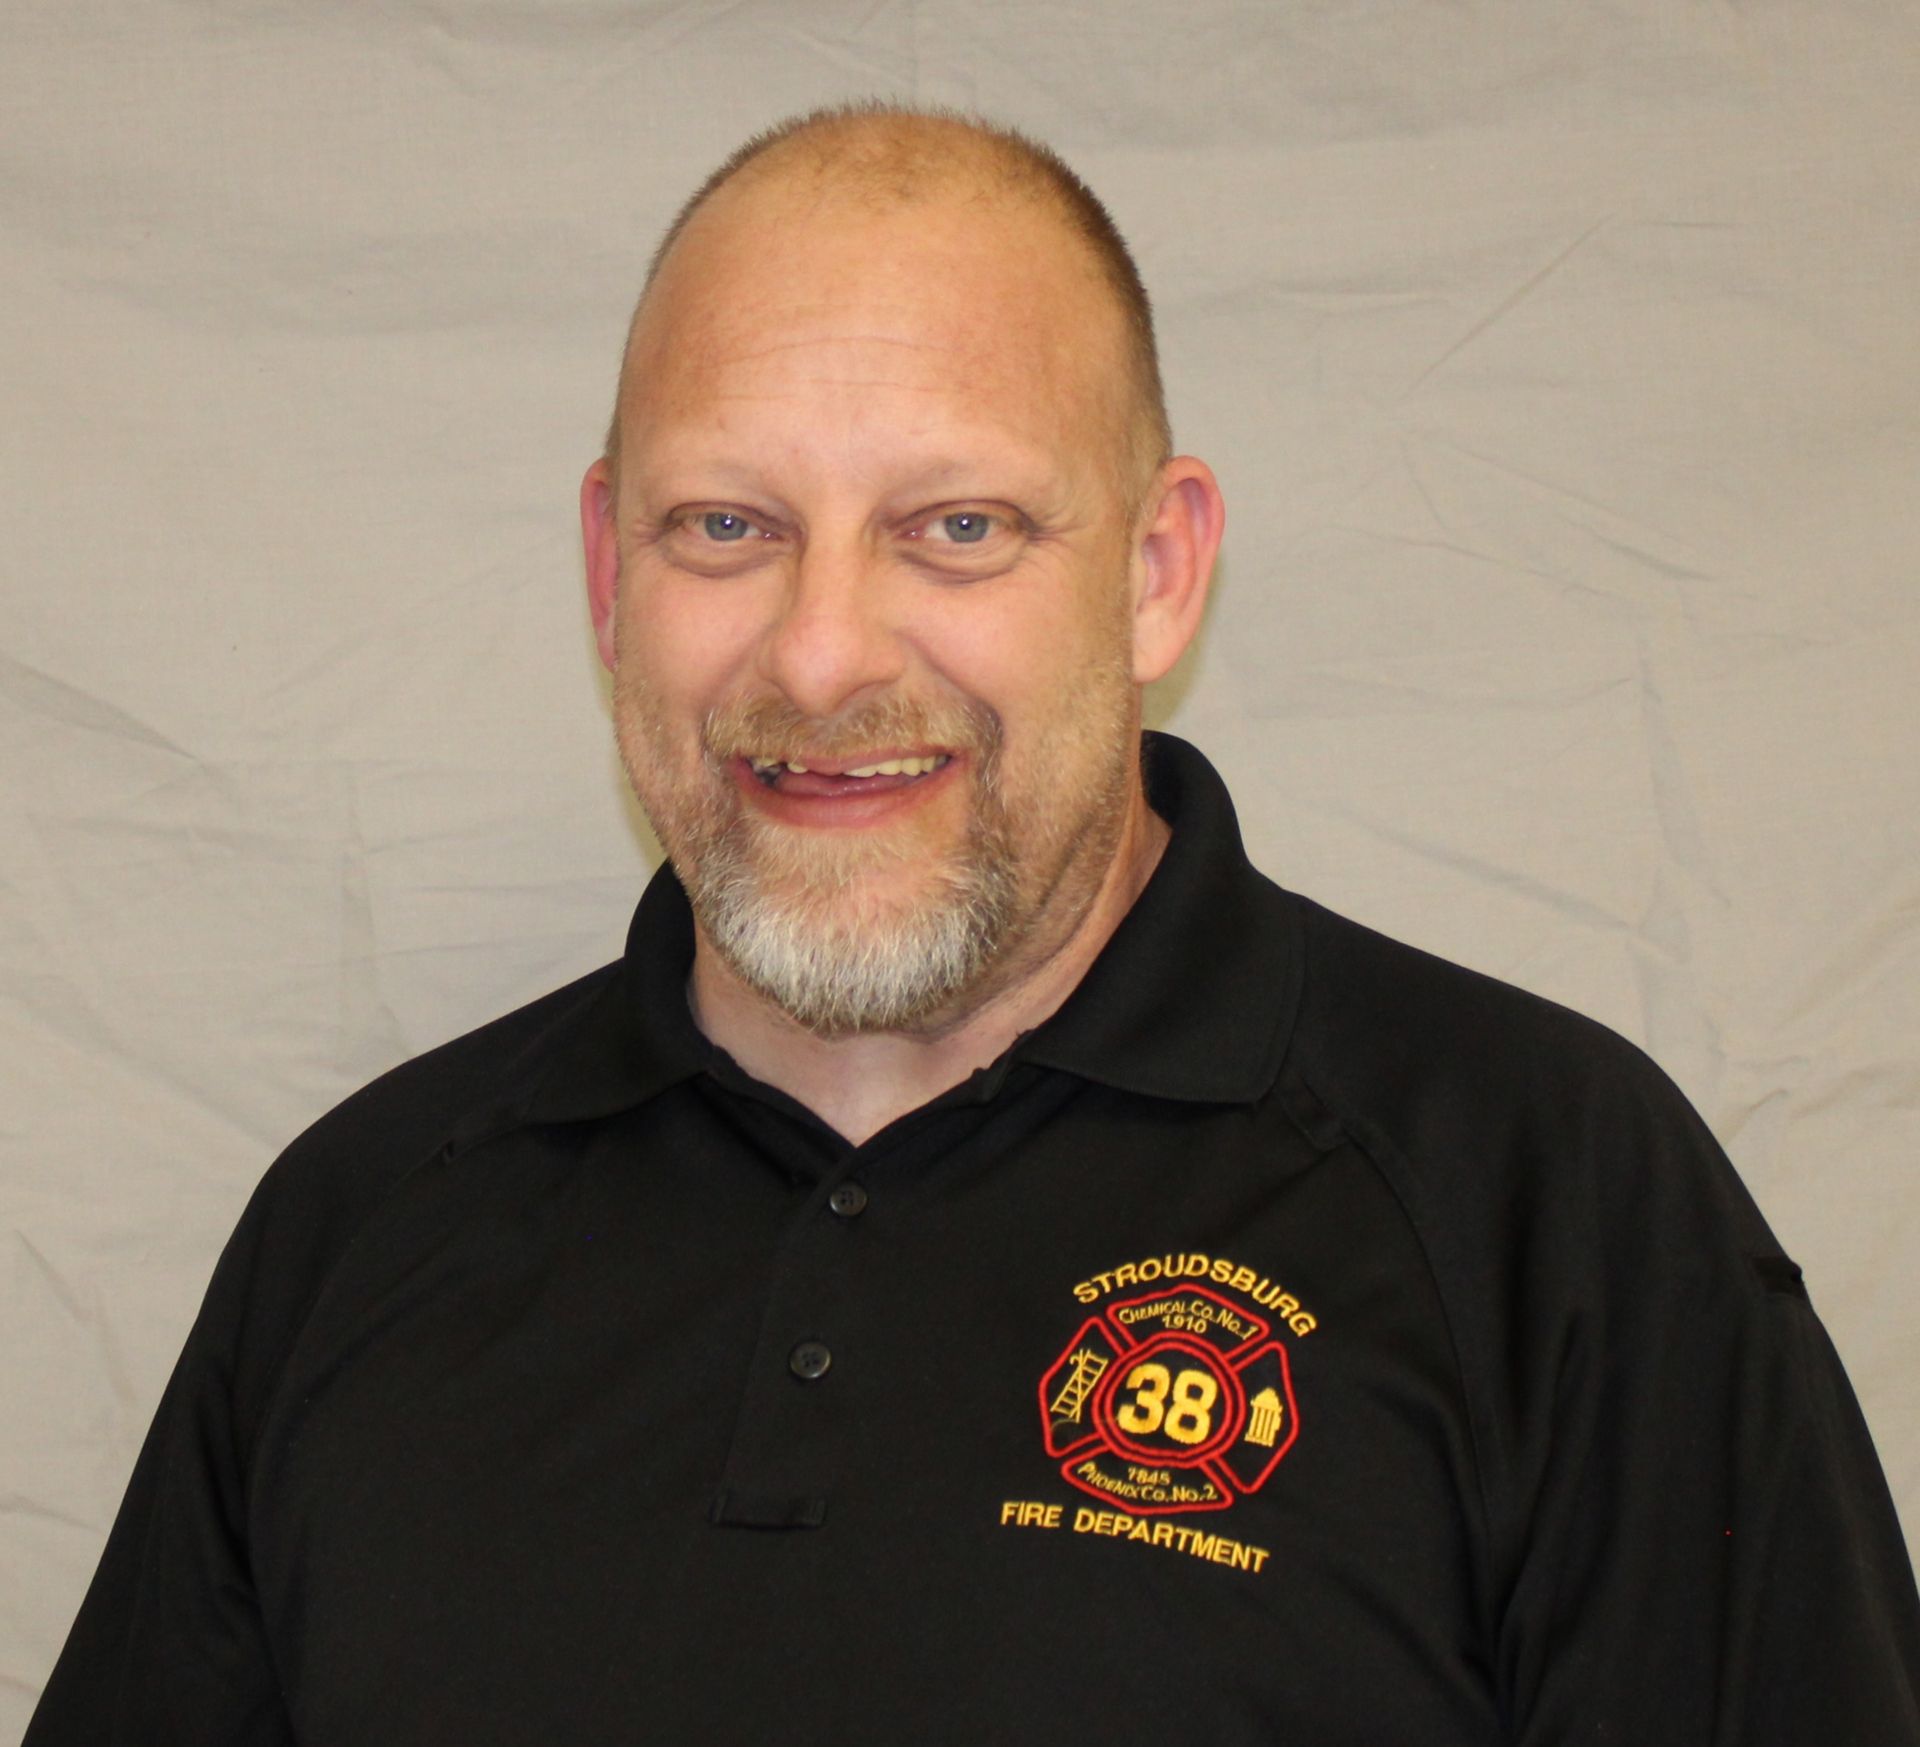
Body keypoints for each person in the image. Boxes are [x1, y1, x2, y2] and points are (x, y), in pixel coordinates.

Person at [26, 102, 1920, 1745]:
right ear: (610, 572)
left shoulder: (1550, 1206)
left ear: (1160, 570)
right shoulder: (362, 1229)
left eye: (958, 528)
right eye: (726, 527)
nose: (825, 649)